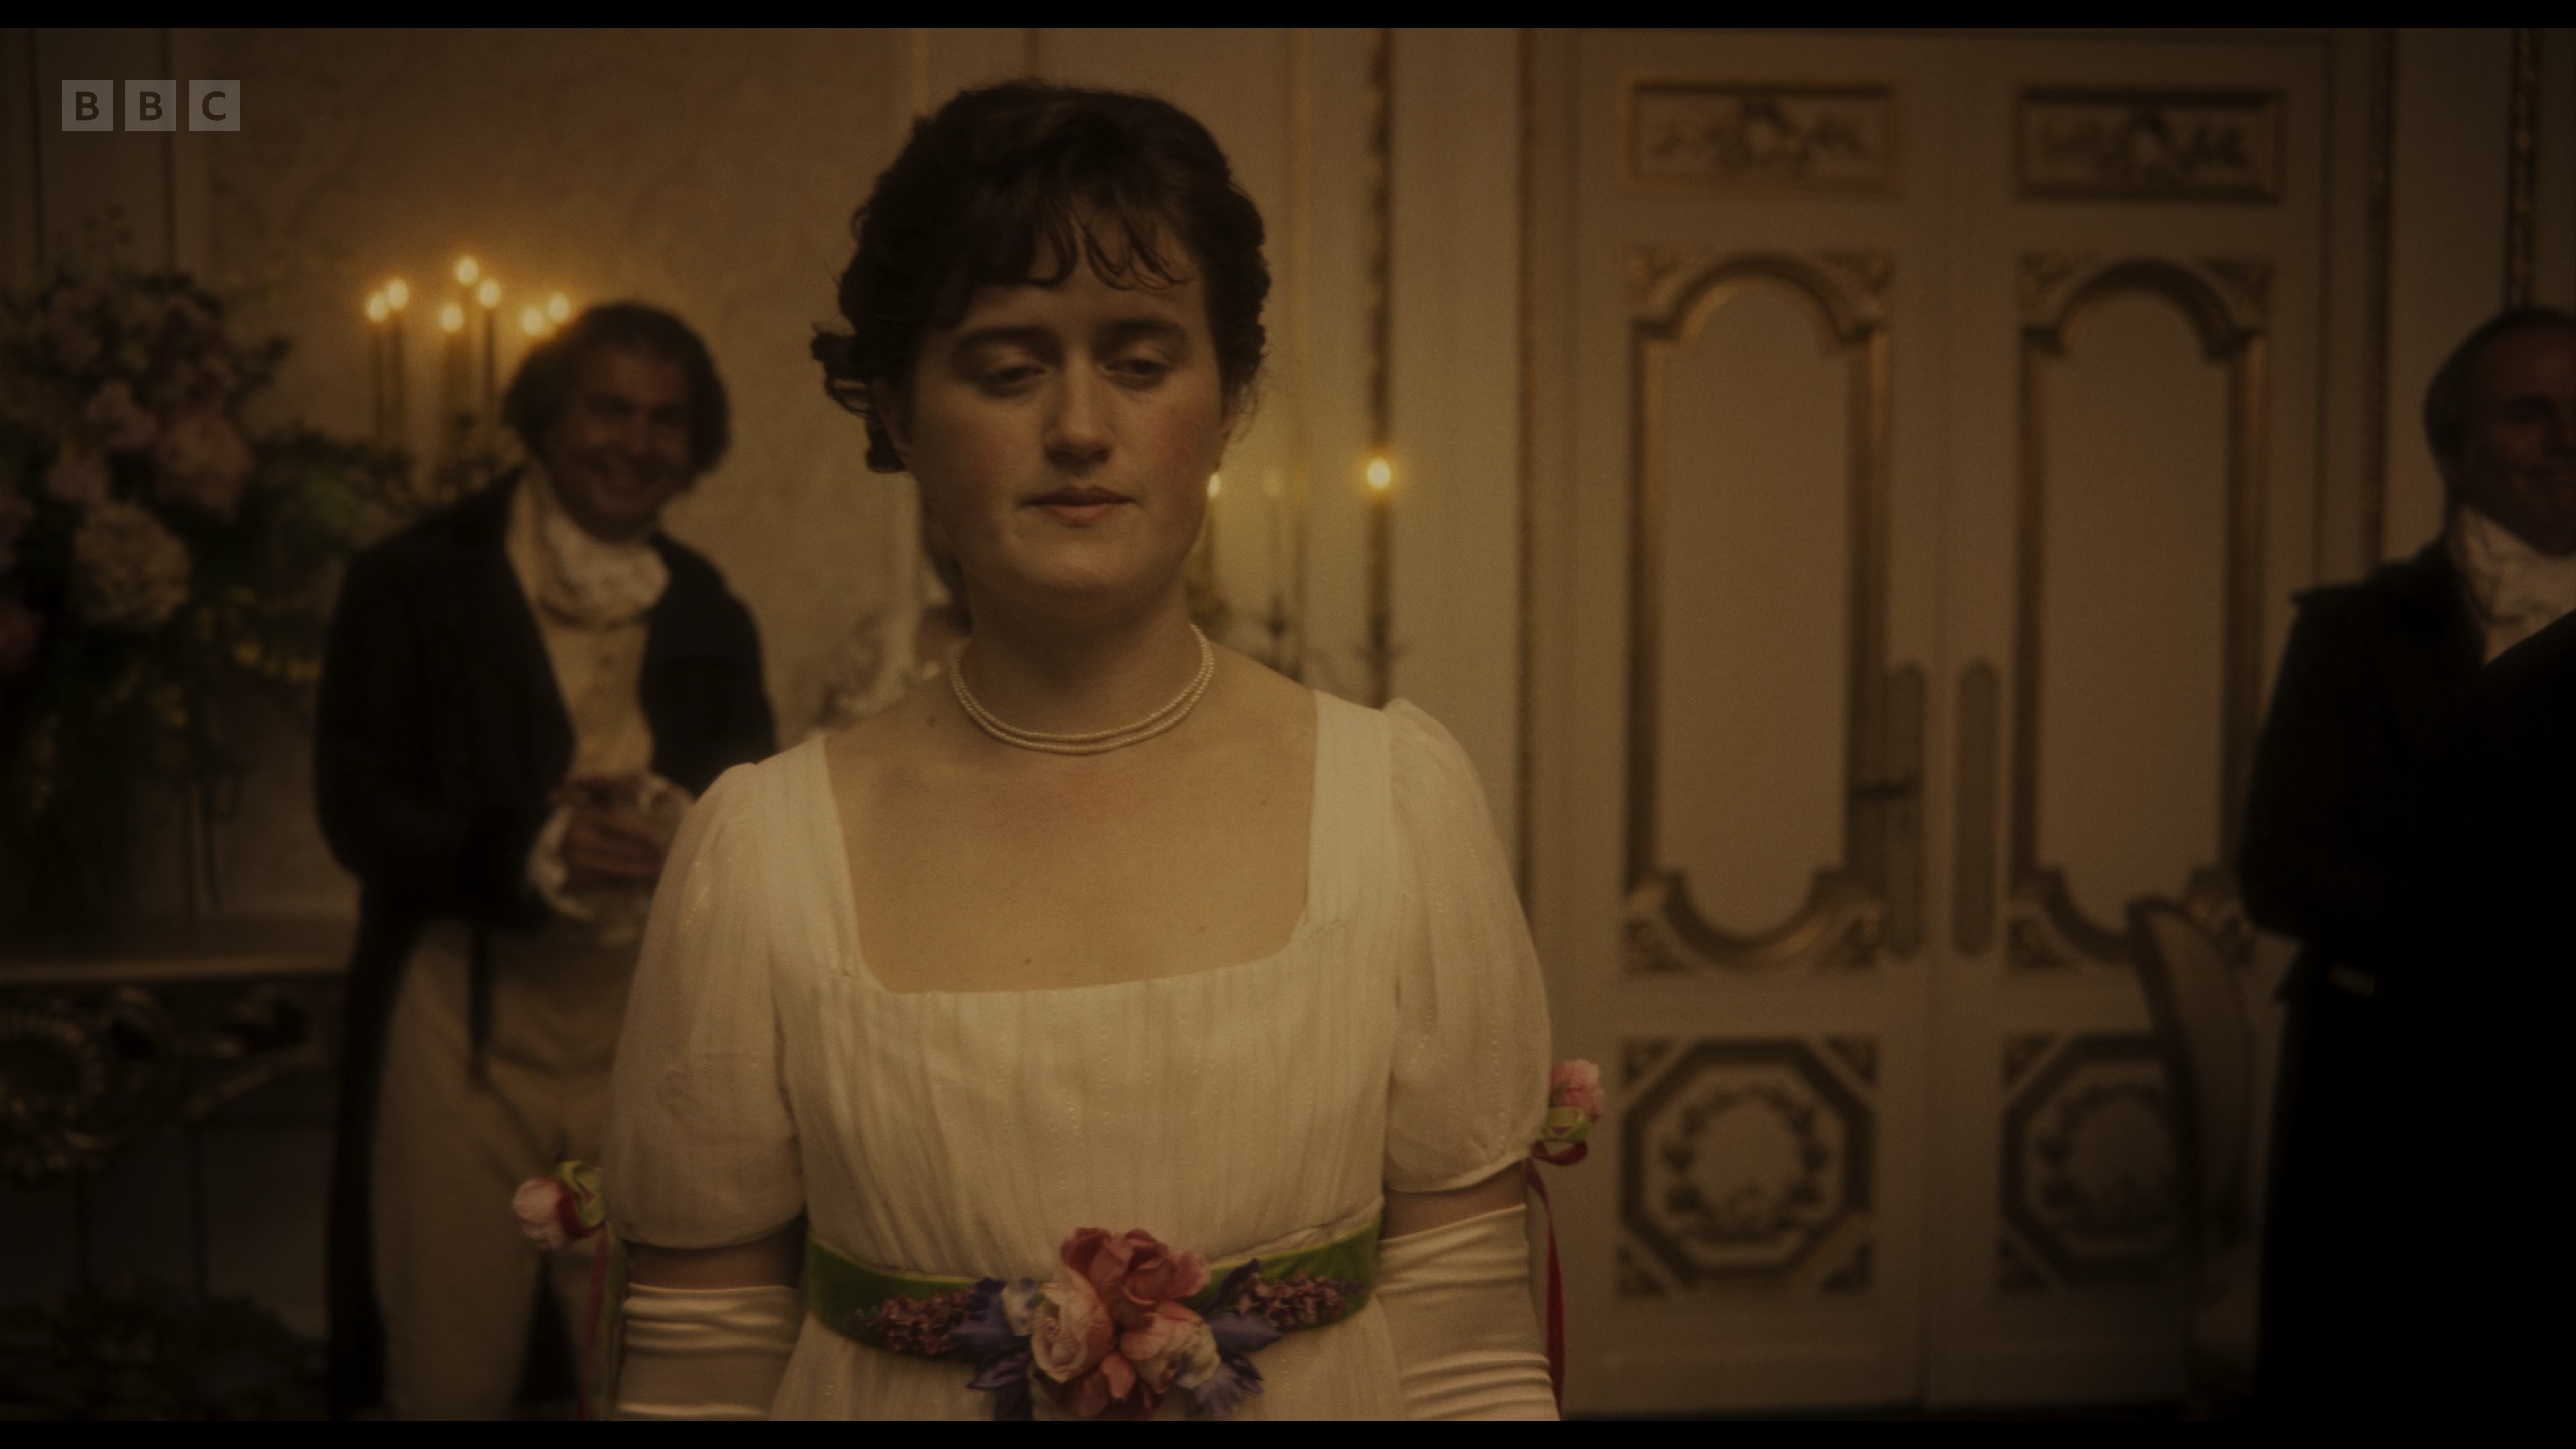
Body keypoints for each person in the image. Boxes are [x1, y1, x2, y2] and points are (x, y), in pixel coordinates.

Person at [594, 83, 1560, 1420]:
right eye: (1008, 369)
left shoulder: (1396, 806)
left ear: (1228, 400)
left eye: (1142, 363)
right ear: (898, 413)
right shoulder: (761, 852)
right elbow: (701, 1375)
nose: (1081, 428)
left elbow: (1469, 1354)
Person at [317, 303, 777, 1417]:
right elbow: (358, 806)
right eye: (608, 409)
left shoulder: (709, 607)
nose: (636, 442)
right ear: (547, 418)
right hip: (457, 1030)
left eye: (666, 419)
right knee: (447, 1367)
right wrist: (535, 846)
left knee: (640, 1368)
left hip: (643, 1037)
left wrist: (677, 825)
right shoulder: (412, 580)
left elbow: (752, 805)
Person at [2237, 305, 2576, 1417]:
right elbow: (2283, 865)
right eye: (2530, 413)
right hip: (2396, 1083)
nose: (2569, 439)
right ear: (2454, 454)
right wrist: (2500, 929)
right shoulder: (2356, 631)